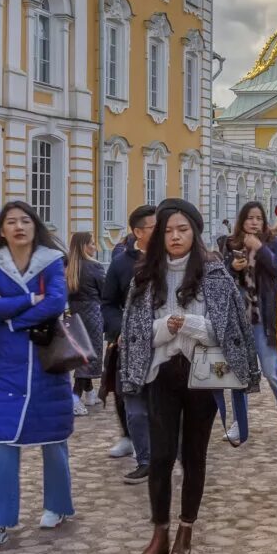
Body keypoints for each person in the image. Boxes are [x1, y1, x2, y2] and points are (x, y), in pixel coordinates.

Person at [121, 198, 259, 554]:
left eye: (182, 229)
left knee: (194, 455)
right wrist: (166, 327)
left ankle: (185, 530)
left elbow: (228, 332)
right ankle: (159, 532)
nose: (175, 236)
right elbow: (136, 335)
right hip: (161, 375)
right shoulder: (145, 278)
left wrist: (192, 324)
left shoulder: (215, 275)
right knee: (161, 456)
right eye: (168, 230)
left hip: (204, 376)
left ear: (194, 233)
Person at [0, 201, 73, 553]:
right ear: (2, 230)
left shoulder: (51, 260)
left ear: (35, 226)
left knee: (53, 437)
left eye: (25, 221)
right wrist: (32, 298)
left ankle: (58, 505)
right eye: (11, 222)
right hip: (3, 363)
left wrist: (14, 318)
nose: (19, 227)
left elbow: (56, 301)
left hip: (46, 360)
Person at [225, 201, 277, 435]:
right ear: (242, 220)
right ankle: (239, 422)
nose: (254, 222)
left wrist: (260, 249)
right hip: (238, 316)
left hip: (263, 315)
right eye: (250, 218)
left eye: (259, 218)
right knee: (238, 372)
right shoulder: (230, 243)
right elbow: (221, 276)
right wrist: (233, 266)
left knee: (270, 369)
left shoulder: (272, 242)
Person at [101, 205, 156, 483]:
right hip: (131, 345)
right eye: (154, 227)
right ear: (138, 232)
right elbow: (108, 303)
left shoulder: (170, 261)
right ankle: (143, 458)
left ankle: (166, 453)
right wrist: (118, 330)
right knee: (133, 406)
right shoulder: (121, 264)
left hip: (164, 343)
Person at [67, 231, 106, 416]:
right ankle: (75, 398)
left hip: (75, 314)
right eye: (91, 243)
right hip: (92, 313)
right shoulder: (94, 266)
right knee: (89, 357)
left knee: (82, 353)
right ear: (84, 246)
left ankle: (89, 393)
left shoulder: (70, 267)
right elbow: (105, 292)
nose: (94, 247)